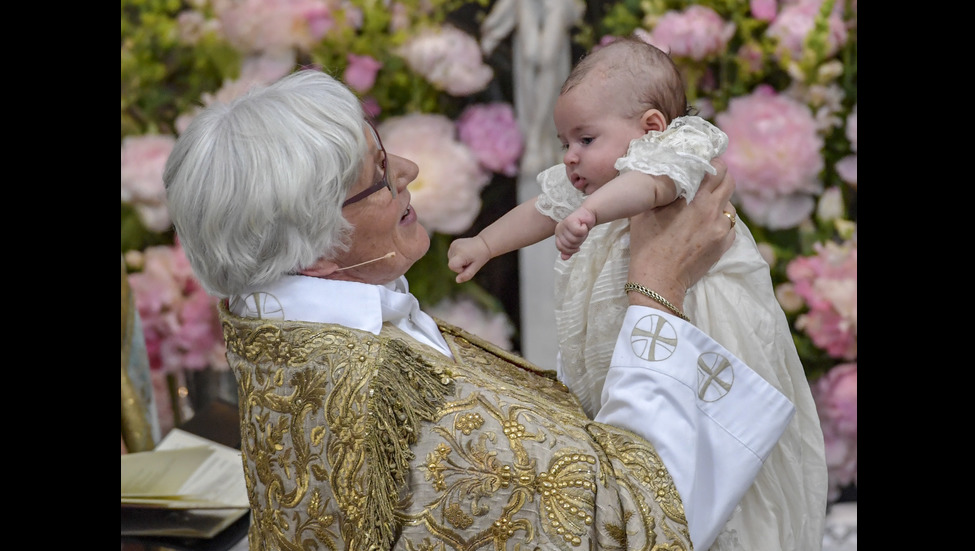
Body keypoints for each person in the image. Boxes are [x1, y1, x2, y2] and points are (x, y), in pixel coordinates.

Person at [164, 68, 795, 551]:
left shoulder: (280, 331)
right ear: (319, 245)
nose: (409, 168)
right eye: (381, 173)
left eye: (385, 149)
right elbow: (638, 522)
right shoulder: (391, 399)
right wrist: (658, 283)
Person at [448, 37, 827, 551]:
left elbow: (652, 189)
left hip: (701, 334)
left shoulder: (675, 153)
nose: (571, 157)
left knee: (707, 463)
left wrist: (591, 213)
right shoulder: (588, 183)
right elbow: (542, 208)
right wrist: (486, 244)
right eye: (565, 142)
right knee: (628, 448)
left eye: (584, 139)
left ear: (650, 128)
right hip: (630, 337)